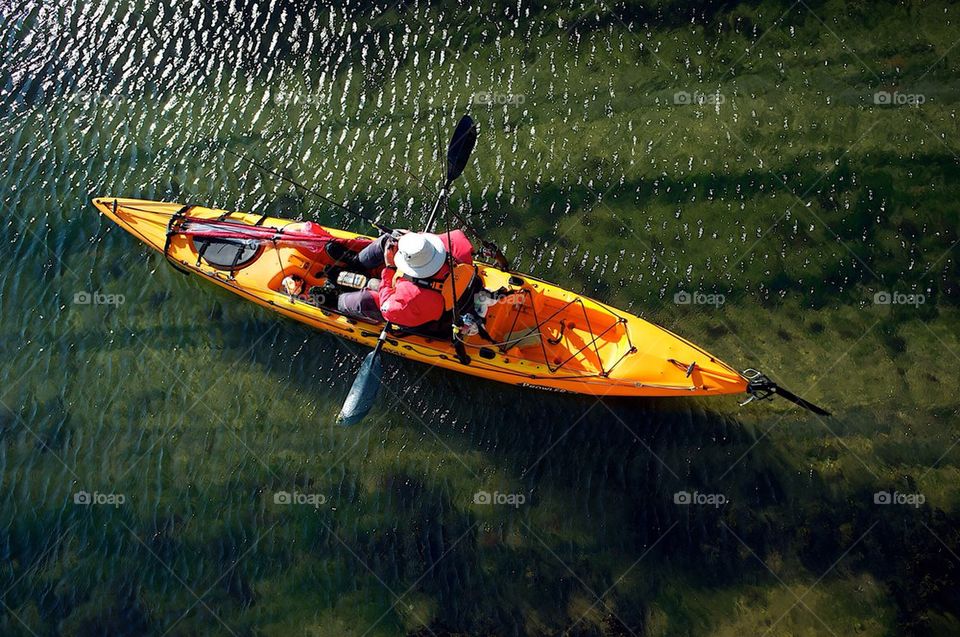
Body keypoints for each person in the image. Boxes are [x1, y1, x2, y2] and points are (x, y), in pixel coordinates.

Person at [337, 229, 474, 328]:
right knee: (390, 238)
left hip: (427, 315)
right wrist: (409, 238)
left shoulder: (410, 299)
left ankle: (336, 300)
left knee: (362, 301)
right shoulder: (456, 240)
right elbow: (421, 240)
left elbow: (387, 308)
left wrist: (390, 267)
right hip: (444, 290)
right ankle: (356, 263)